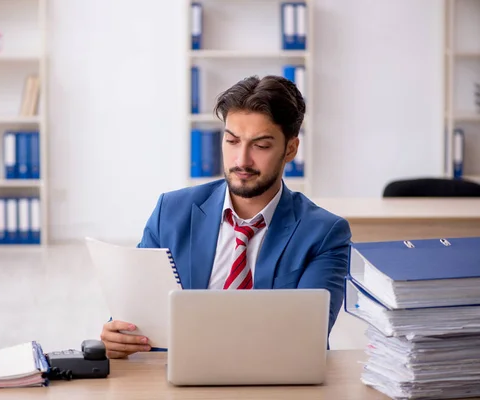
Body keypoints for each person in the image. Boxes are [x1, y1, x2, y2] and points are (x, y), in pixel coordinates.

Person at [100, 75, 352, 359]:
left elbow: (307, 338)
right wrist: (118, 334)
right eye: (232, 141)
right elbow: (136, 312)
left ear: (290, 149)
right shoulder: (170, 212)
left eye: (261, 145)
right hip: (177, 378)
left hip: (272, 382)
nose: (241, 160)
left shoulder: (324, 234)